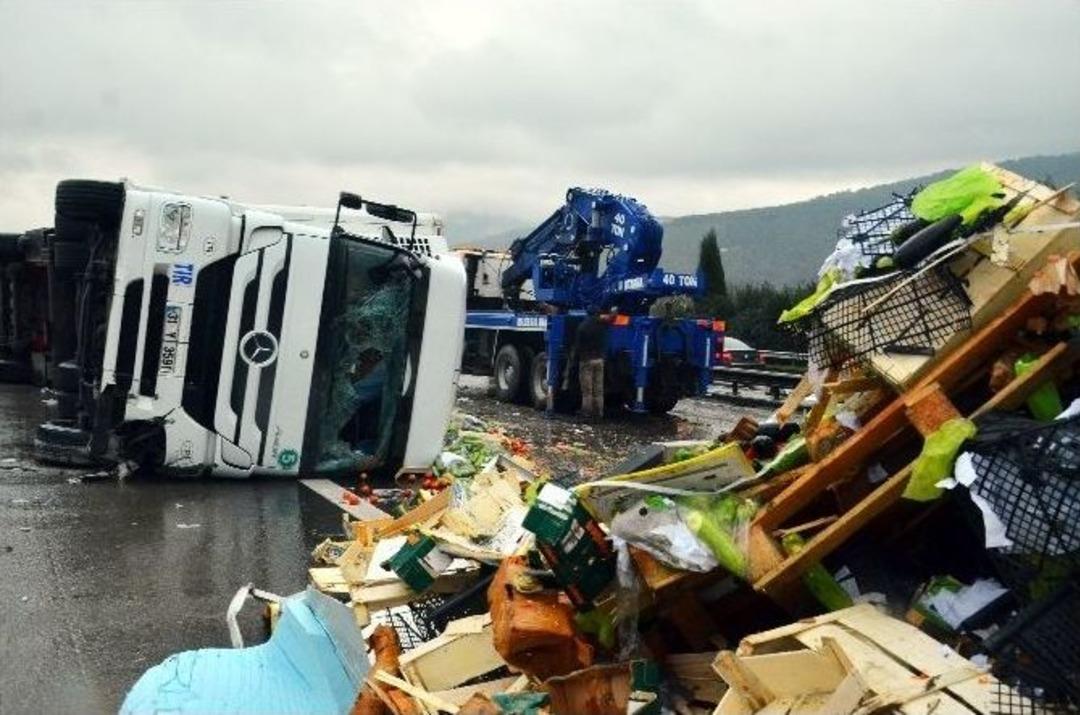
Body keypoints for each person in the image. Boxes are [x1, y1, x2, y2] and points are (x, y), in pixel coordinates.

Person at [567, 307, 609, 419]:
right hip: (599, 359)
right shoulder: (602, 326)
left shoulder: (582, 327)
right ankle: (599, 412)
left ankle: (586, 412)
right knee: (598, 388)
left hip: (587, 360)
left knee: (587, 389)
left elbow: (578, 346)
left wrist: (574, 361)